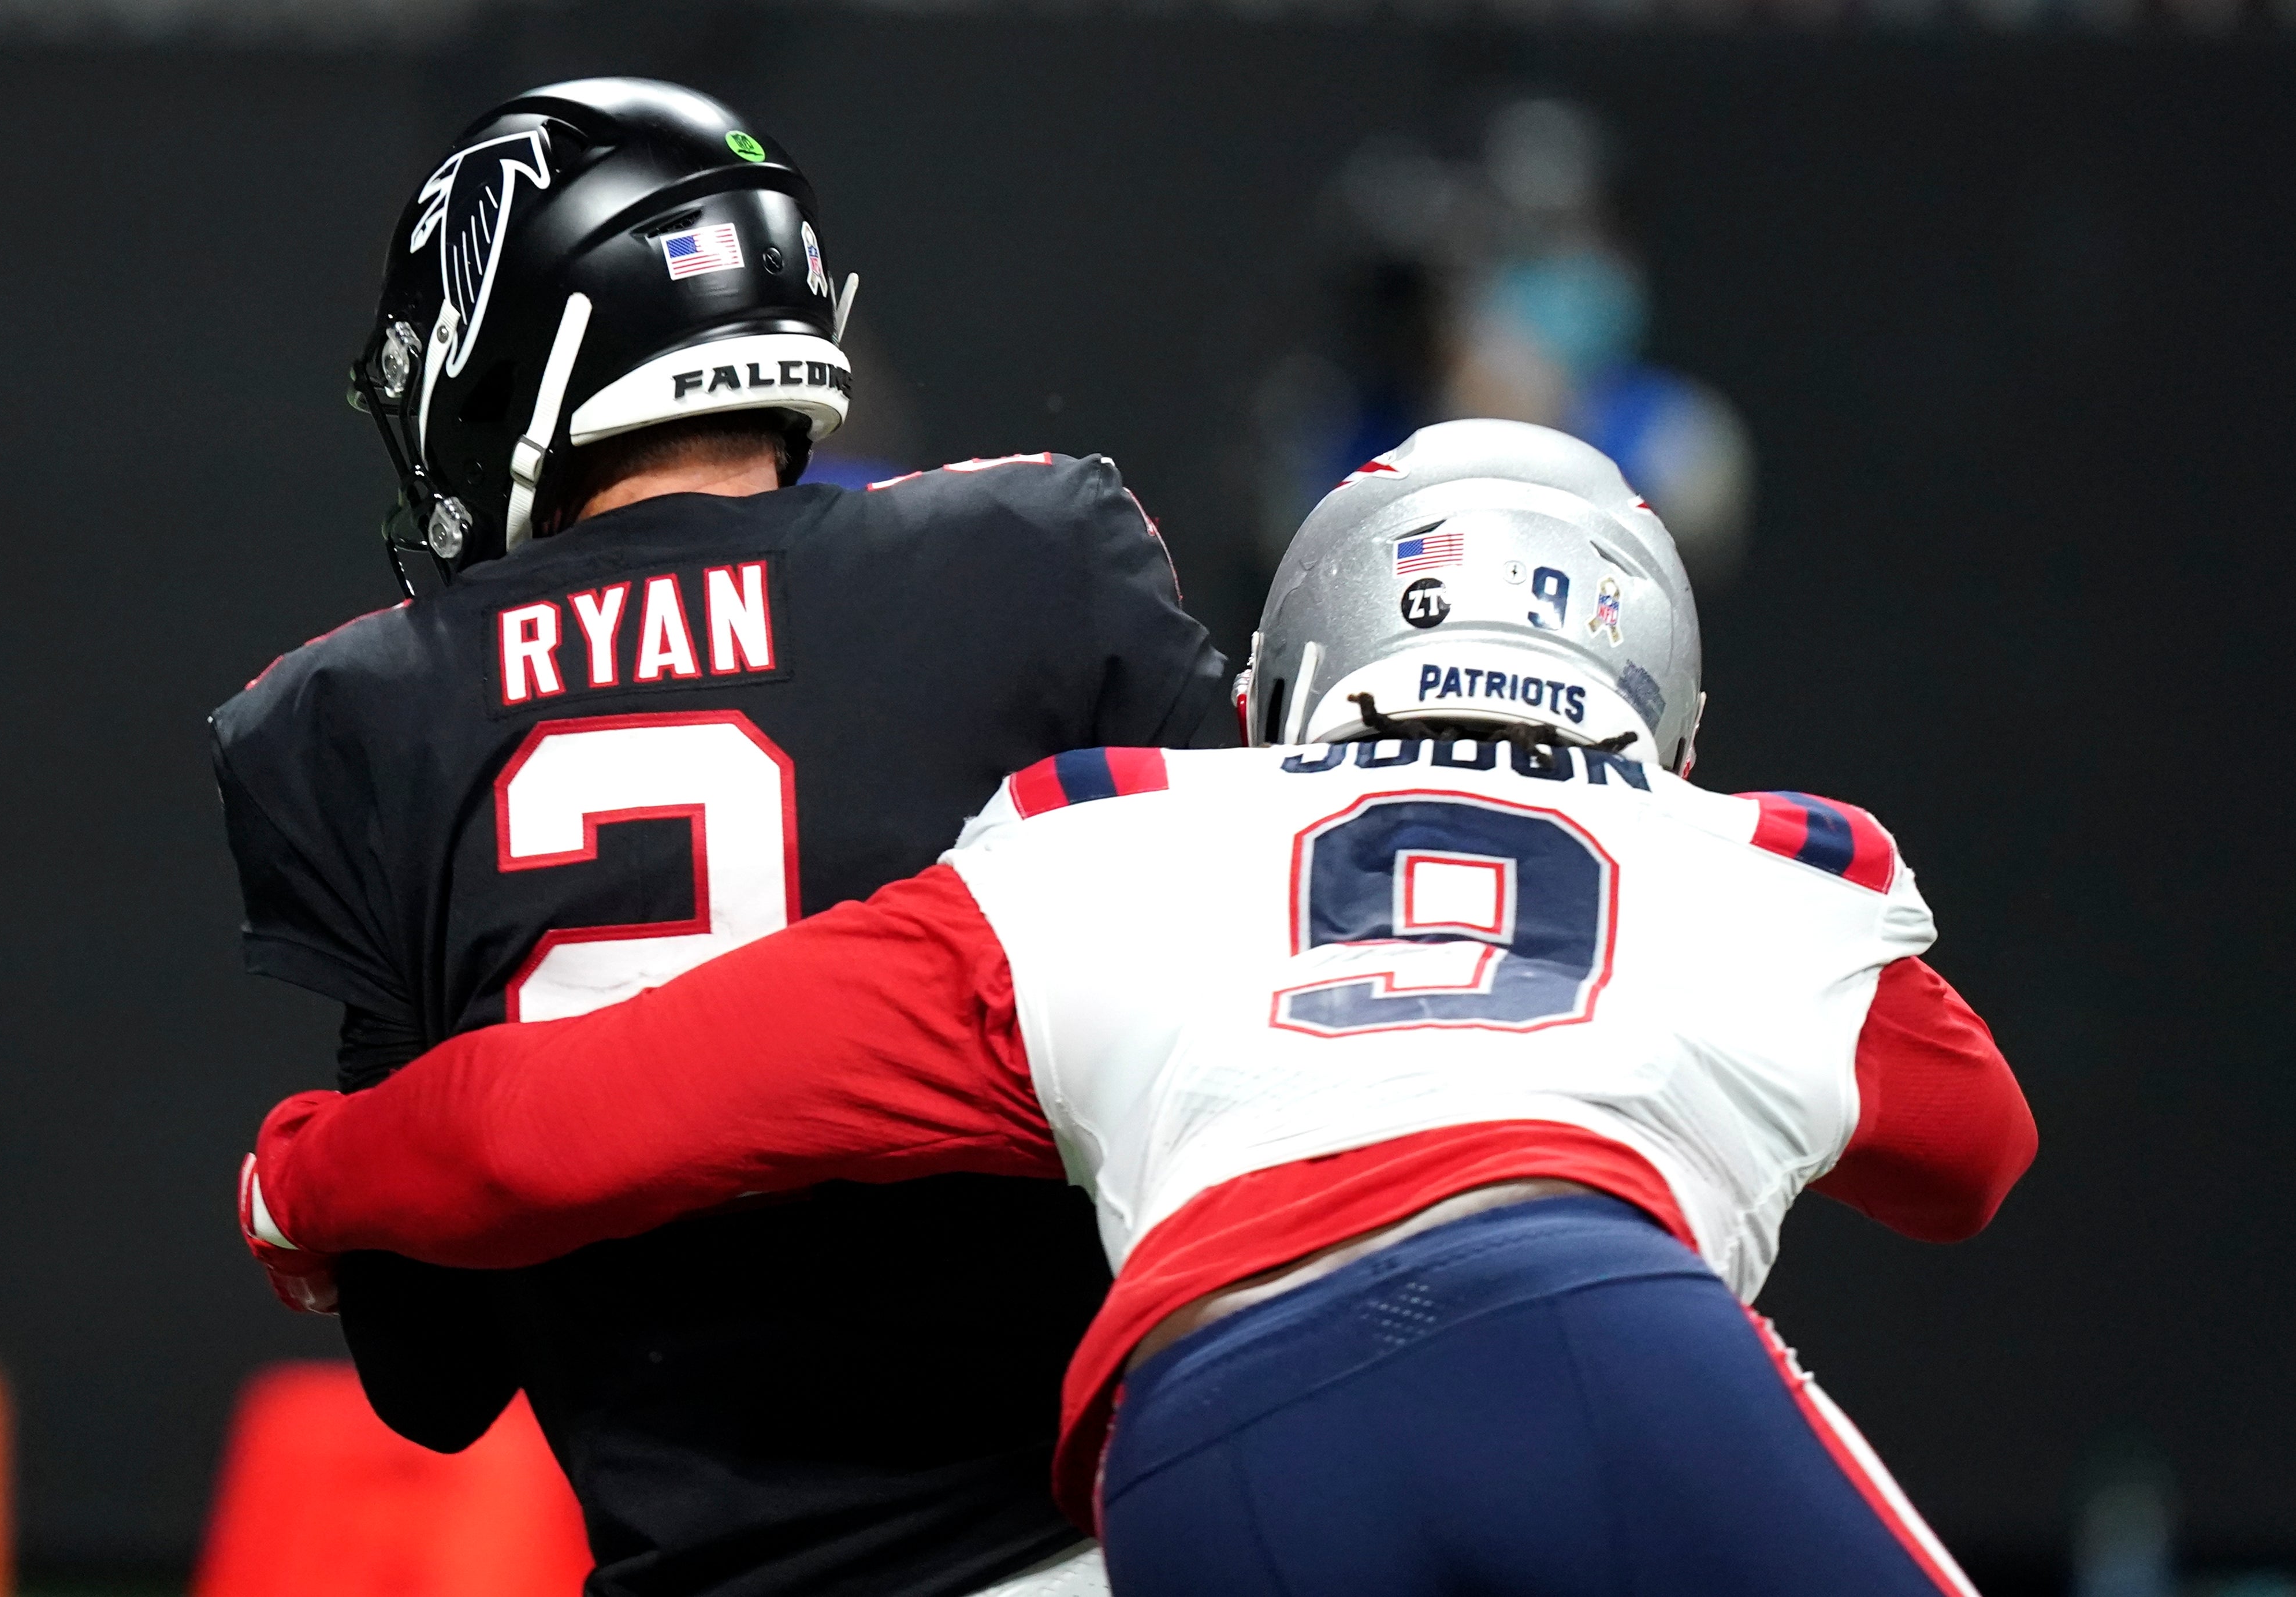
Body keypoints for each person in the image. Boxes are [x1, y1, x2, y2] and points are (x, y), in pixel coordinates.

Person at [239, 419, 2037, 1596]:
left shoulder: (1098, 849)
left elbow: (569, 1117)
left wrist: (305, 1184)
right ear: (1665, 706)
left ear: (1276, 676)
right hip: (1585, 1327)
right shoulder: (1756, 874)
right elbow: (1972, 1157)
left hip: (1198, 1434)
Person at [211, 76, 1236, 1597]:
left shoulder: (355, 711)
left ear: (504, 341)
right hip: (1107, 1532)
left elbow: (431, 1380)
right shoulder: (1033, 562)